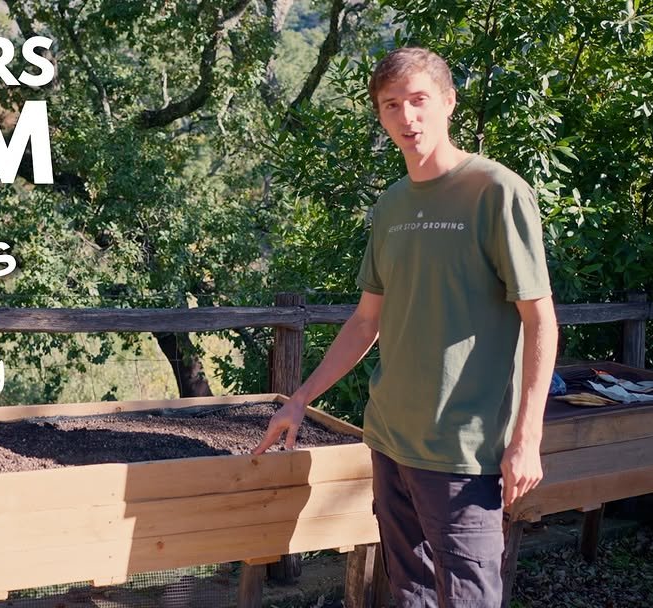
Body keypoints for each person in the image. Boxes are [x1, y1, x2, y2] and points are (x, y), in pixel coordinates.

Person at [253, 46, 559, 607]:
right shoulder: (392, 205)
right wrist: (299, 398)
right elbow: (367, 319)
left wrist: (527, 437)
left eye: (419, 100)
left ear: (448, 102)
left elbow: (540, 321)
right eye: (392, 104)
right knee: (407, 594)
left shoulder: (497, 191)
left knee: (468, 598)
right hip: (390, 442)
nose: (407, 117)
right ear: (380, 114)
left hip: (463, 454)